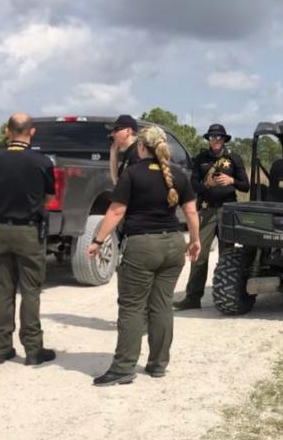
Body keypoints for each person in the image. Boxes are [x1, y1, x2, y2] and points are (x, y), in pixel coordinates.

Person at [87, 126, 200, 386]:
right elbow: (192, 213)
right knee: (161, 305)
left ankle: (123, 367)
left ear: (141, 147)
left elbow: (116, 212)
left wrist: (97, 241)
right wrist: (195, 241)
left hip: (142, 245)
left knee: (132, 307)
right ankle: (158, 364)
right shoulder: (179, 175)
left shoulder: (133, 174)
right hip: (173, 244)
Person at [0, 113, 57, 366]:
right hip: (28, 230)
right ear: (32, 132)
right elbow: (49, 197)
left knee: (2, 290)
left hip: (1, 229)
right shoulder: (41, 161)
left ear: (7, 131)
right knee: (30, 291)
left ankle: (0, 347)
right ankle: (33, 348)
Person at [173, 123, 248, 311]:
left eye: (219, 137)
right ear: (208, 140)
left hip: (227, 210)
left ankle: (228, 295)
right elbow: (192, 185)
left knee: (227, 256)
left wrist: (231, 180)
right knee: (199, 255)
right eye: (212, 137)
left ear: (224, 139)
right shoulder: (200, 159)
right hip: (206, 211)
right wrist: (207, 184)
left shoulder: (234, 159)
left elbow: (245, 185)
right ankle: (192, 297)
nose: (215, 140)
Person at [107, 114, 140, 185]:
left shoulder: (137, 154)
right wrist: (113, 154)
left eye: (116, 130)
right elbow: (117, 183)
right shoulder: (130, 152)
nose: (112, 134)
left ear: (128, 131)